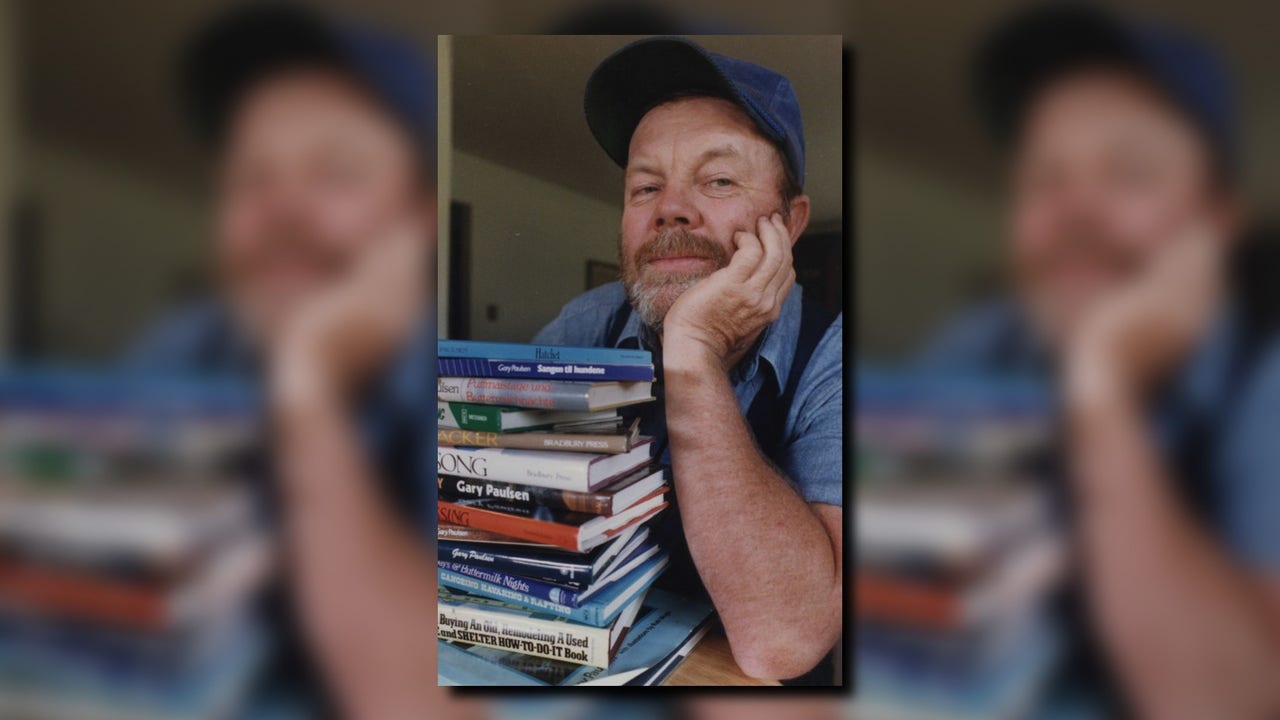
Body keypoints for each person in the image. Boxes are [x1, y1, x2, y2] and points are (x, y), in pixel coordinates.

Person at [918, 5, 1280, 717]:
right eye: (1044, 177)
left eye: (1129, 172)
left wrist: (1103, 389)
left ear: (1219, 222)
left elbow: (1235, 702)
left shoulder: (1262, 370)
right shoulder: (983, 342)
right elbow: (887, 630)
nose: (1073, 211)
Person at [123, 4, 442, 716]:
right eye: (252, 176)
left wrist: (309, 390)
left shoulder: (490, 391)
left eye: (336, 172)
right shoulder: (185, 347)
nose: (281, 210)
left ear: (420, 217)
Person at [534, 37, 844, 683]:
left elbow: (782, 641)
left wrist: (694, 353)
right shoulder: (587, 322)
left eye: (719, 180)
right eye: (646, 187)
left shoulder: (841, 359)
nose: (670, 208)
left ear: (789, 223)